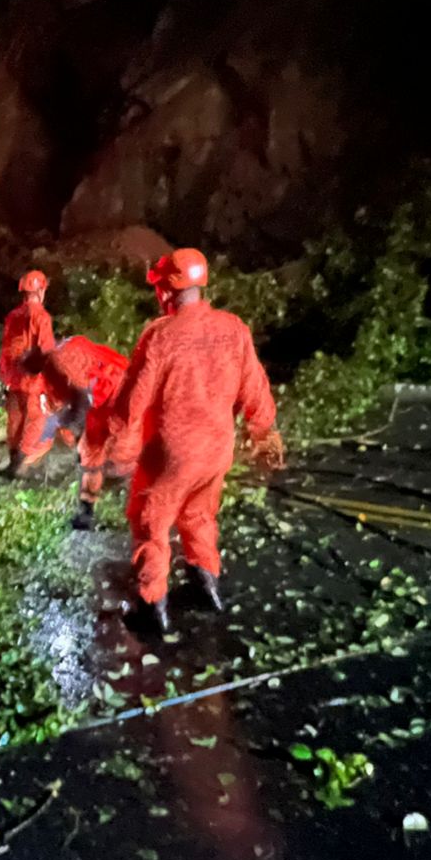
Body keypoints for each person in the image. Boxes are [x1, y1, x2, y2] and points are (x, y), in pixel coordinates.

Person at [108, 248, 285, 630]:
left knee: (150, 520)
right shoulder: (234, 328)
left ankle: (151, 606)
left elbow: (131, 401)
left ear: (167, 290)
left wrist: (116, 442)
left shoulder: (160, 336)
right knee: (198, 514)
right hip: (217, 450)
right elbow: (255, 388)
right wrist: (263, 429)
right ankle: (206, 584)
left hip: (172, 452)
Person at [38, 335, 130, 529]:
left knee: (93, 458)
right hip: (121, 393)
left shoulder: (58, 361)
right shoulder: (67, 347)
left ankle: (86, 514)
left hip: (111, 402)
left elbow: (83, 400)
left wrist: (74, 427)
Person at [0, 269, 55, 478]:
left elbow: (5, 349)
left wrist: (4, 376)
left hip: (12, 379)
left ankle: (13, 461)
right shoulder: (42, 317)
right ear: (41, 290)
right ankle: (18, 466)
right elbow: (46, 349)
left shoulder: (13, 316)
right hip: (32, 380)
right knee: (35, 420)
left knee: (15, 419)